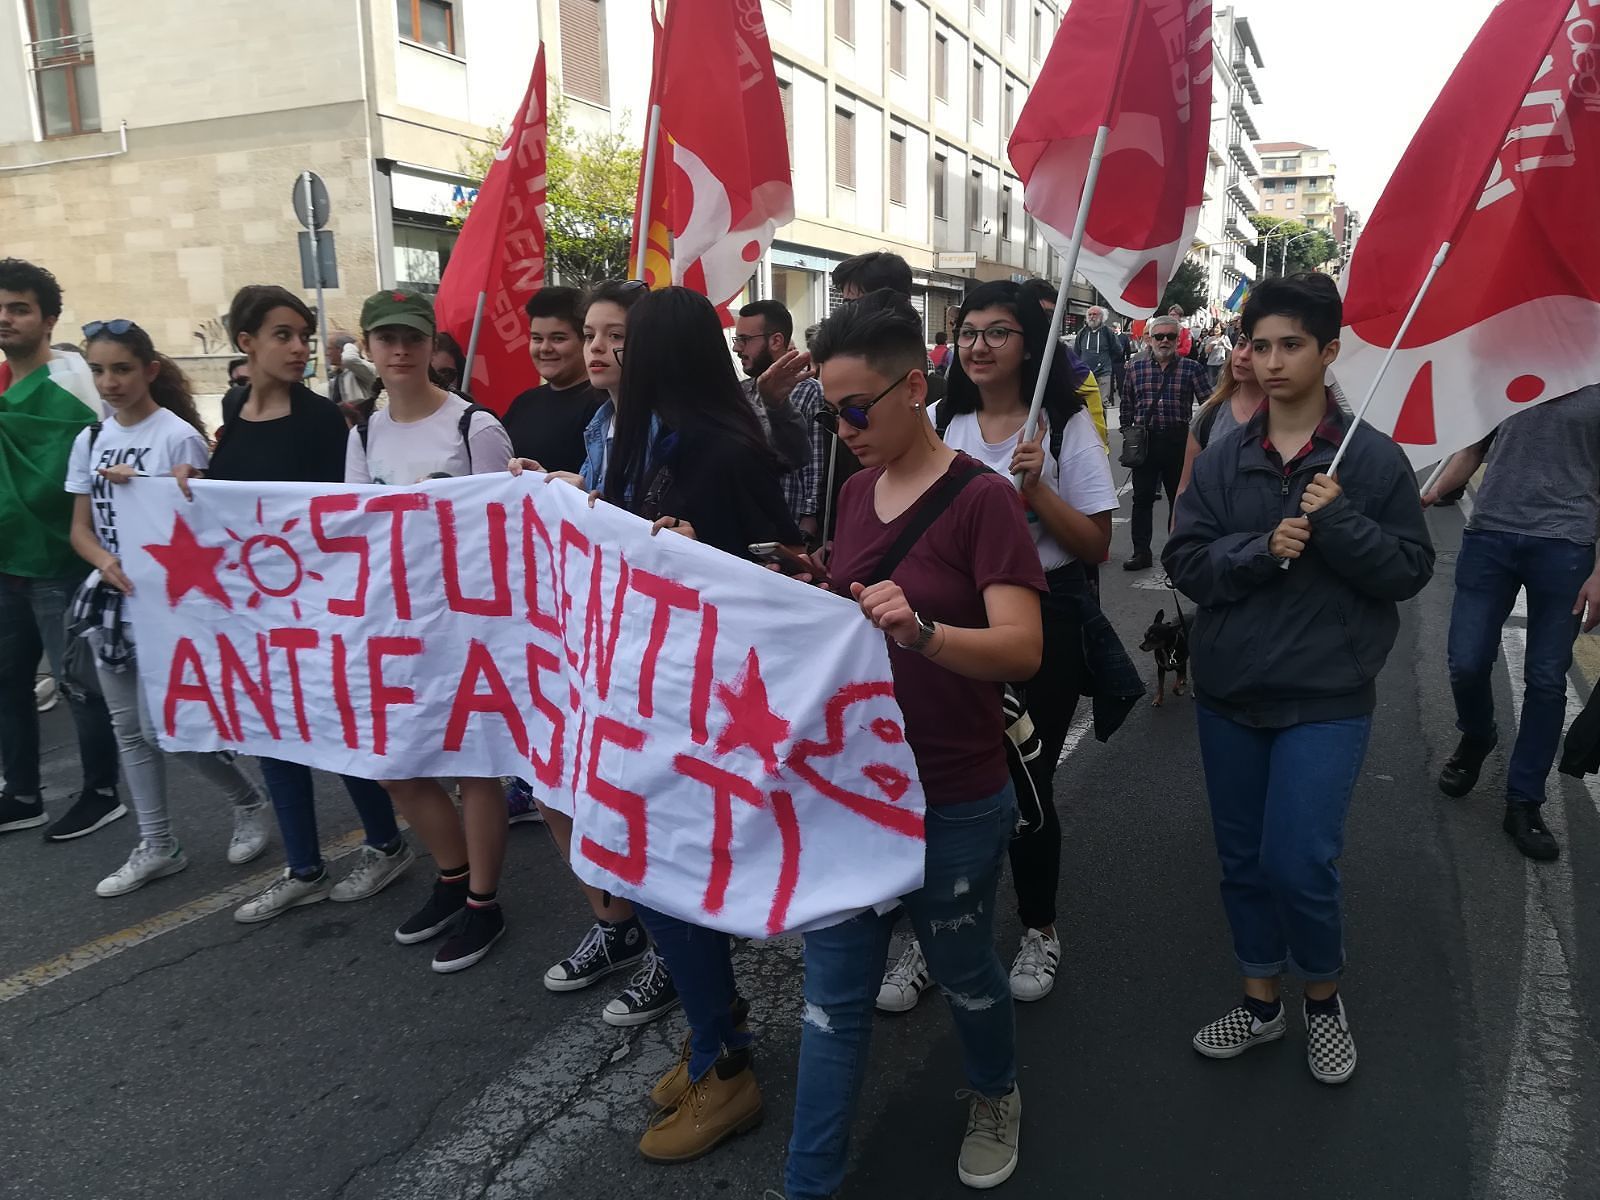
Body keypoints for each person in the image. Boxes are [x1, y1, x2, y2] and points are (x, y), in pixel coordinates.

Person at [784, 291, 1043, 1197]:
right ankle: (807, 1182)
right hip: (853, 789)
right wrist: (787, 578)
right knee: (832, 1001)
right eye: (829, 410)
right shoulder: (854, 491)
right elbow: (847, 605)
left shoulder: (985, 500)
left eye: (857, 408)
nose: (843, 427)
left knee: (966, 967)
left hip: (954, 791)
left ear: (915, 384)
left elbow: (1022, 647)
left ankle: (996, 1093)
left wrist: (925, 633)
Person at [1163, 273, 1433, 1086]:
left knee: (1298, 859)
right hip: (1231, 693)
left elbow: (1409, 571)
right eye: (1259, 345)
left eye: (1291, 345)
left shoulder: (1371, 461)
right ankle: (1260, 1001)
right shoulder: (1223, 456)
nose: (1271, 362)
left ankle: (1321, 999)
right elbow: (1185, 560)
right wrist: (1259, 550)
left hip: (1324, 697)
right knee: (1241, 858)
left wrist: (1340, 521)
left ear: (1329, 352)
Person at [581, 286, 800, 1163]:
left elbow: (782, 562)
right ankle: (717, 1032)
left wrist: (699, 552)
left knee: (668, 875)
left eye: (622, 344)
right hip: (641, 692)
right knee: (647, 871)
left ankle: (725, 1065)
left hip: (704, 706)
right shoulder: (637, 440)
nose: (607, 357)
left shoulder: (723, 446)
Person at [873, 279, 1115, 1013]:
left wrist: (1039, 494)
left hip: (1043, 622)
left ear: (1029, 344)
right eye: (968, 329)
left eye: (997, 331)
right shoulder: (942, 420)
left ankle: (1039, 926)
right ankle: (932, 932)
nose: (978, 344)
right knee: (935, 782)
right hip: (947, 625)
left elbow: (1096, 544)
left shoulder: (1065, 427)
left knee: (1026, 787)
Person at [178, 285, 415, 922]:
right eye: (283, 335)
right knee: (270, 734)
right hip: (253, 614)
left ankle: (385, 844)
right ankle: (304, 867)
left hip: (314, 612)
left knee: (333, 733)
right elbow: (231, 503)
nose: (299, 347)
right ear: (245, 342)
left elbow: (339, 520)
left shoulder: (318, 421)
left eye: (304, 335)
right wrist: (185, 488)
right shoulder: (233, 408)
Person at [515, 278, 684, 1027]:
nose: (597, 349)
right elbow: (597, 508)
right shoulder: (597, 427)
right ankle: (617, 926)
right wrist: (558, 488)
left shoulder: (674, 431)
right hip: (586, 632)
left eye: (616, 335)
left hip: (648, 644)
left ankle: (673, 954)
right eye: (591, 334)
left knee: (638, 795)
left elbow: (656, 533)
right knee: (557, 780)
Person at [66, 321, 271, 896]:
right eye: (100, 370)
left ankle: (246, 799)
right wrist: (104, 563)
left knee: (168, 730)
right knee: (128, 729)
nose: (110, 382)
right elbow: (80, 529)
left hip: (169, 603)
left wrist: (150, 486)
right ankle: (157, 842)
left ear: (150, 371)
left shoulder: (175, 436)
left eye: (122, 369)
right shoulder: (90, 438)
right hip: (113, 601)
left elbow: (199, 520)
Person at [344, 289, 515, 972]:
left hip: (469, 623)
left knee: (475, 765)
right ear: (369, 347)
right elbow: (353, 531)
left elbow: (509, 530)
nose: (400, 350)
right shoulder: (361, 433)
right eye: (386, 338)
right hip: (395, 623)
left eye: (411, 337)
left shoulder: (476, 426)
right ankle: (452, 876)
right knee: (396, 765)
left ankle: (483, 901)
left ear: (432, 345)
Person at [1424, 382, 1600, 861]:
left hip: (1565, 546)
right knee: (1466, 659)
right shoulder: (1510, 369)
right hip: (1491, 538)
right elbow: (1473, 450)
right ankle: (1478, 734)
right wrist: (1428, 493)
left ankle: (1524, 801)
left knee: (1545, 679)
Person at [0, 259, 122, 841]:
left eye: (19, 308)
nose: (5, 318)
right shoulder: (2, 382)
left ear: (49, 319)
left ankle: (101, 791)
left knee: (78, 683)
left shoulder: (75, 388)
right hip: (6, 562)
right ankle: (22, 793)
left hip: (62, 563)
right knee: (7, 682)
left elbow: (74, 482)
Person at [1121, 313, 1210, 571]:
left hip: (1178, 440)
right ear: (1149, 339)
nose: (1164, 341)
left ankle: (1177, 552)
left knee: (1179, 498)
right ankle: (1141, 552)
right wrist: (1129, 434)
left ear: (1178, 338)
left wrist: (1201, 437)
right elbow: (1127, 404)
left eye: (1170, 336)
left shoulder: (1192, 368)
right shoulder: (1136, 368)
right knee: (1142, 498)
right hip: (1145, 441)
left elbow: (1208, 404)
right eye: (1159, 336)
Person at [733, 299, 826, 539]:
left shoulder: (808, 389)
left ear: (776, 341)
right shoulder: (740, 391)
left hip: (787, 520)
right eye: (737, 339)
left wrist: (809, 516)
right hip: (744, 519)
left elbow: (814, 460)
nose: (738, 349)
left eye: (745, 340)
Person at [501, 286, 604, 475]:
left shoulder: (603, 406)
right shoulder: (523, 403)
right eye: (537, 338)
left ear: (585, 341)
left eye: (558, 338)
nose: (545, 348)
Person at [1017, 278, 1109, 447]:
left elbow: (1094, 415)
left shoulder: (1068, 364)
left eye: (1050, 315)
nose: (1043, 322)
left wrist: (1098, 449)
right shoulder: (997, 352)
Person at [1176, 328, 1265, 498]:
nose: (1243, 355)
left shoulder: (1294, 418)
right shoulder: (1210, 414)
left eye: (1259, 348)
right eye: (1241, 344)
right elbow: (1185, 489)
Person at [1072, 306, 1124, 411]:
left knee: (1102, 403)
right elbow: (1076, 353)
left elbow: (1118, 350)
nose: (1092, 317)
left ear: (1101, 317)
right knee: (1085, 403)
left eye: (1094, 314)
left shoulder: (1108, 332)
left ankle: (1102, 426)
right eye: (1090, 315)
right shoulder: (1082, 333)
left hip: (1103, 373)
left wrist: (1106, 362)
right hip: (1085, 373)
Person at [326, 331, 378, 420]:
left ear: (341, 350)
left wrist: (353, 345)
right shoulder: (336, 376)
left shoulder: (365, 370)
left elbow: (349, 359)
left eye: (329, 348)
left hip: (364, 425)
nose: (326, 353)